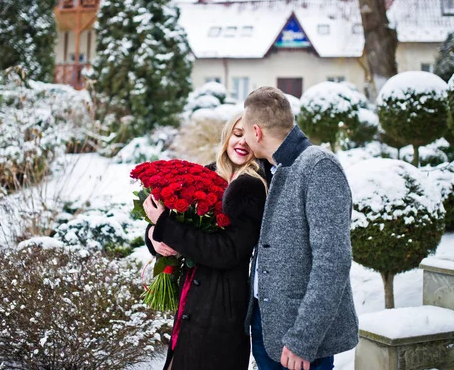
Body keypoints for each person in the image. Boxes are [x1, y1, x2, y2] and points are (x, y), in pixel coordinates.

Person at [241, 86, 359, 370]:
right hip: (266, 326)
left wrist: (303, 339)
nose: (243, 139)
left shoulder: (318, 166)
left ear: (256, 132)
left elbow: (333, 262)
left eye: (244, 131)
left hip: (299, 340)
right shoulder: (268, 169)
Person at [143, 112, 268, 370]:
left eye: (248, 137)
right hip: (191, 298)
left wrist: (166, 225)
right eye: (236, 134)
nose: (242, 142)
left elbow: (227, 251)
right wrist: (154, 237)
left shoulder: (253, 188)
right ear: (226, 137)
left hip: (222, 308)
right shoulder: (206, 174)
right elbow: (176, 223)